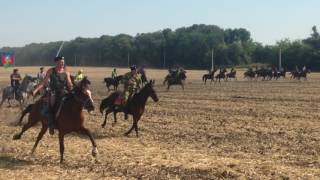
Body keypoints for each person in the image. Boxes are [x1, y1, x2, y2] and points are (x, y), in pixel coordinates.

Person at [32, 56, 73, 135]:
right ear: (56, 62)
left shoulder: (66, 72)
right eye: (61, 62)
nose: (62, 64)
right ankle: (51, 124)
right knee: (52, 105)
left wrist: (71, 86)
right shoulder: (51, 71)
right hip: (53, 92)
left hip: (63, 92)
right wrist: (36, 90)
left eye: (63, 62)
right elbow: (44, 82)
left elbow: (69, 83)